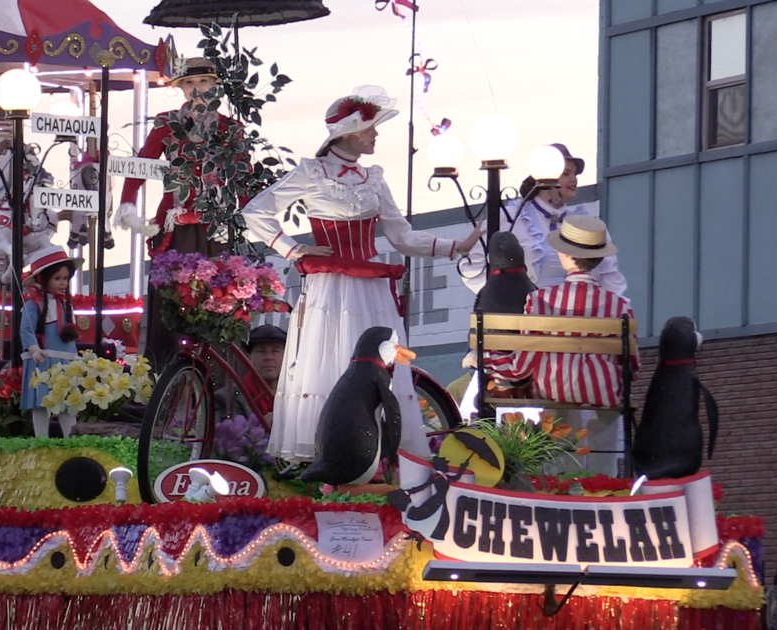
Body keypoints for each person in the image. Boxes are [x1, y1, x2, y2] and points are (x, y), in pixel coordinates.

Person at [242, 85, 482, 464]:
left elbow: (401, 235)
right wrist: (293, 248)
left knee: (381, 363)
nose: (375, 135)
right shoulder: (312, 172)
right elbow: (255, 212)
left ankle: (378, 453)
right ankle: (328, 454)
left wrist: (456, 246)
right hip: (330, 285)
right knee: (328, 362)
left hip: (370, 289)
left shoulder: (373, 178)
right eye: (371, 128)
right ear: (351, 132)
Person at [481, 216, 639, 474]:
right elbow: (631, 363)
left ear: (564, 256)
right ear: (599, 258)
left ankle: (562, 479)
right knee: (608, 408)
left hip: (555, 388)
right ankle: (605, 478)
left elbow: (523, 363)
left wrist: (494, 362)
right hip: (603, 390)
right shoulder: (619, 306)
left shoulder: (540, 300)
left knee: (560, 400)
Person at [114, 57, 244, 370]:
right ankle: (166, 379)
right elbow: (140, 166)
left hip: (217, 227)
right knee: (173, 302)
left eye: (202, 83)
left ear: (215, 87)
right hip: (174, 224)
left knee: (220, 301)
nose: (196, 90)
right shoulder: (167, 124)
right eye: (189, 84)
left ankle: (218, 380)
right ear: (182, 89)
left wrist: (239, 215)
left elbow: (243, 178)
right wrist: (128, 204)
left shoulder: (230, 128)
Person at [459, 143, 626, 298]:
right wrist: (504, 300)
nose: (574, 179)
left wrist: (613, 317)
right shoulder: (512, 217)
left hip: (579, 321)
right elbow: (472, 267)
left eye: (575, 174)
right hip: (527, 321)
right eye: (566, 173)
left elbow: (609, 276)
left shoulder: (585, 226)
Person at [20, 246, 82, 438]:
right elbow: (26, 329)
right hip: (43, 360)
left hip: (66, 361)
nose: (63, 283)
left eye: (65, 278)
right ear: (43, 279)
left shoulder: (66, 304)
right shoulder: (33, 304)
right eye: (57, 278)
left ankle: (70, 439)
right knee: (41, 403)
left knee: (67, 403)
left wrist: (75, 358)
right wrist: (34, 348)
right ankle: (41, 440)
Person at [214, 324, 287, 420]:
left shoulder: (298, 398)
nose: (268, 357)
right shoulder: (227, 398)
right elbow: (228, 432)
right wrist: (262, 427)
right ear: (249, 357)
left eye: (275, 351)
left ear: (286, 357)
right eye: (261, 351)